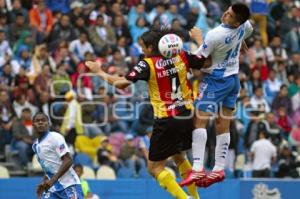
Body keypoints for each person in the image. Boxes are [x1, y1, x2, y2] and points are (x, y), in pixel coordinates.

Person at [86, 28, 206, 199]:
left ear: (151, 47)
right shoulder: (181, 54)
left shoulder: (147, 64)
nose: (141, 50)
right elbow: (203, 61)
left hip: (167, 119)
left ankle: (185, 198)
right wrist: (200, 40)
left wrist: (98, 72)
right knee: (179, 157)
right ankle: (196, 197)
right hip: (187, 115)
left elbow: (121, 84)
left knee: (154, 168)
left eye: (143, 47)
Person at [180, 3, 253, 188]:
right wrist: (241, 43)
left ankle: (197, 167)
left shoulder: (214, 35)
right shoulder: (246, 25)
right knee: (223, 123)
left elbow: (198, 61)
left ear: (237, 23)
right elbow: (245, 34)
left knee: (199, 119)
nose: (224, 15)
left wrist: (198, 39)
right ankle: (219, 169)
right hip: (234, 79)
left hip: (217, 80)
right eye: (227, 11)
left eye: (229, 16)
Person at [32, 112, 83, 199]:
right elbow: (49, 166)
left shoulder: (55, 137)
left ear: (48, 123)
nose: (40, 122)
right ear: (33, 124)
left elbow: (68, 160)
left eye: (43, 120)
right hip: (53, 188)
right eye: (37, 121)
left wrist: (52, 180)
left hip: (69, 185)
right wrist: (45, 181)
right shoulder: (35, 145)